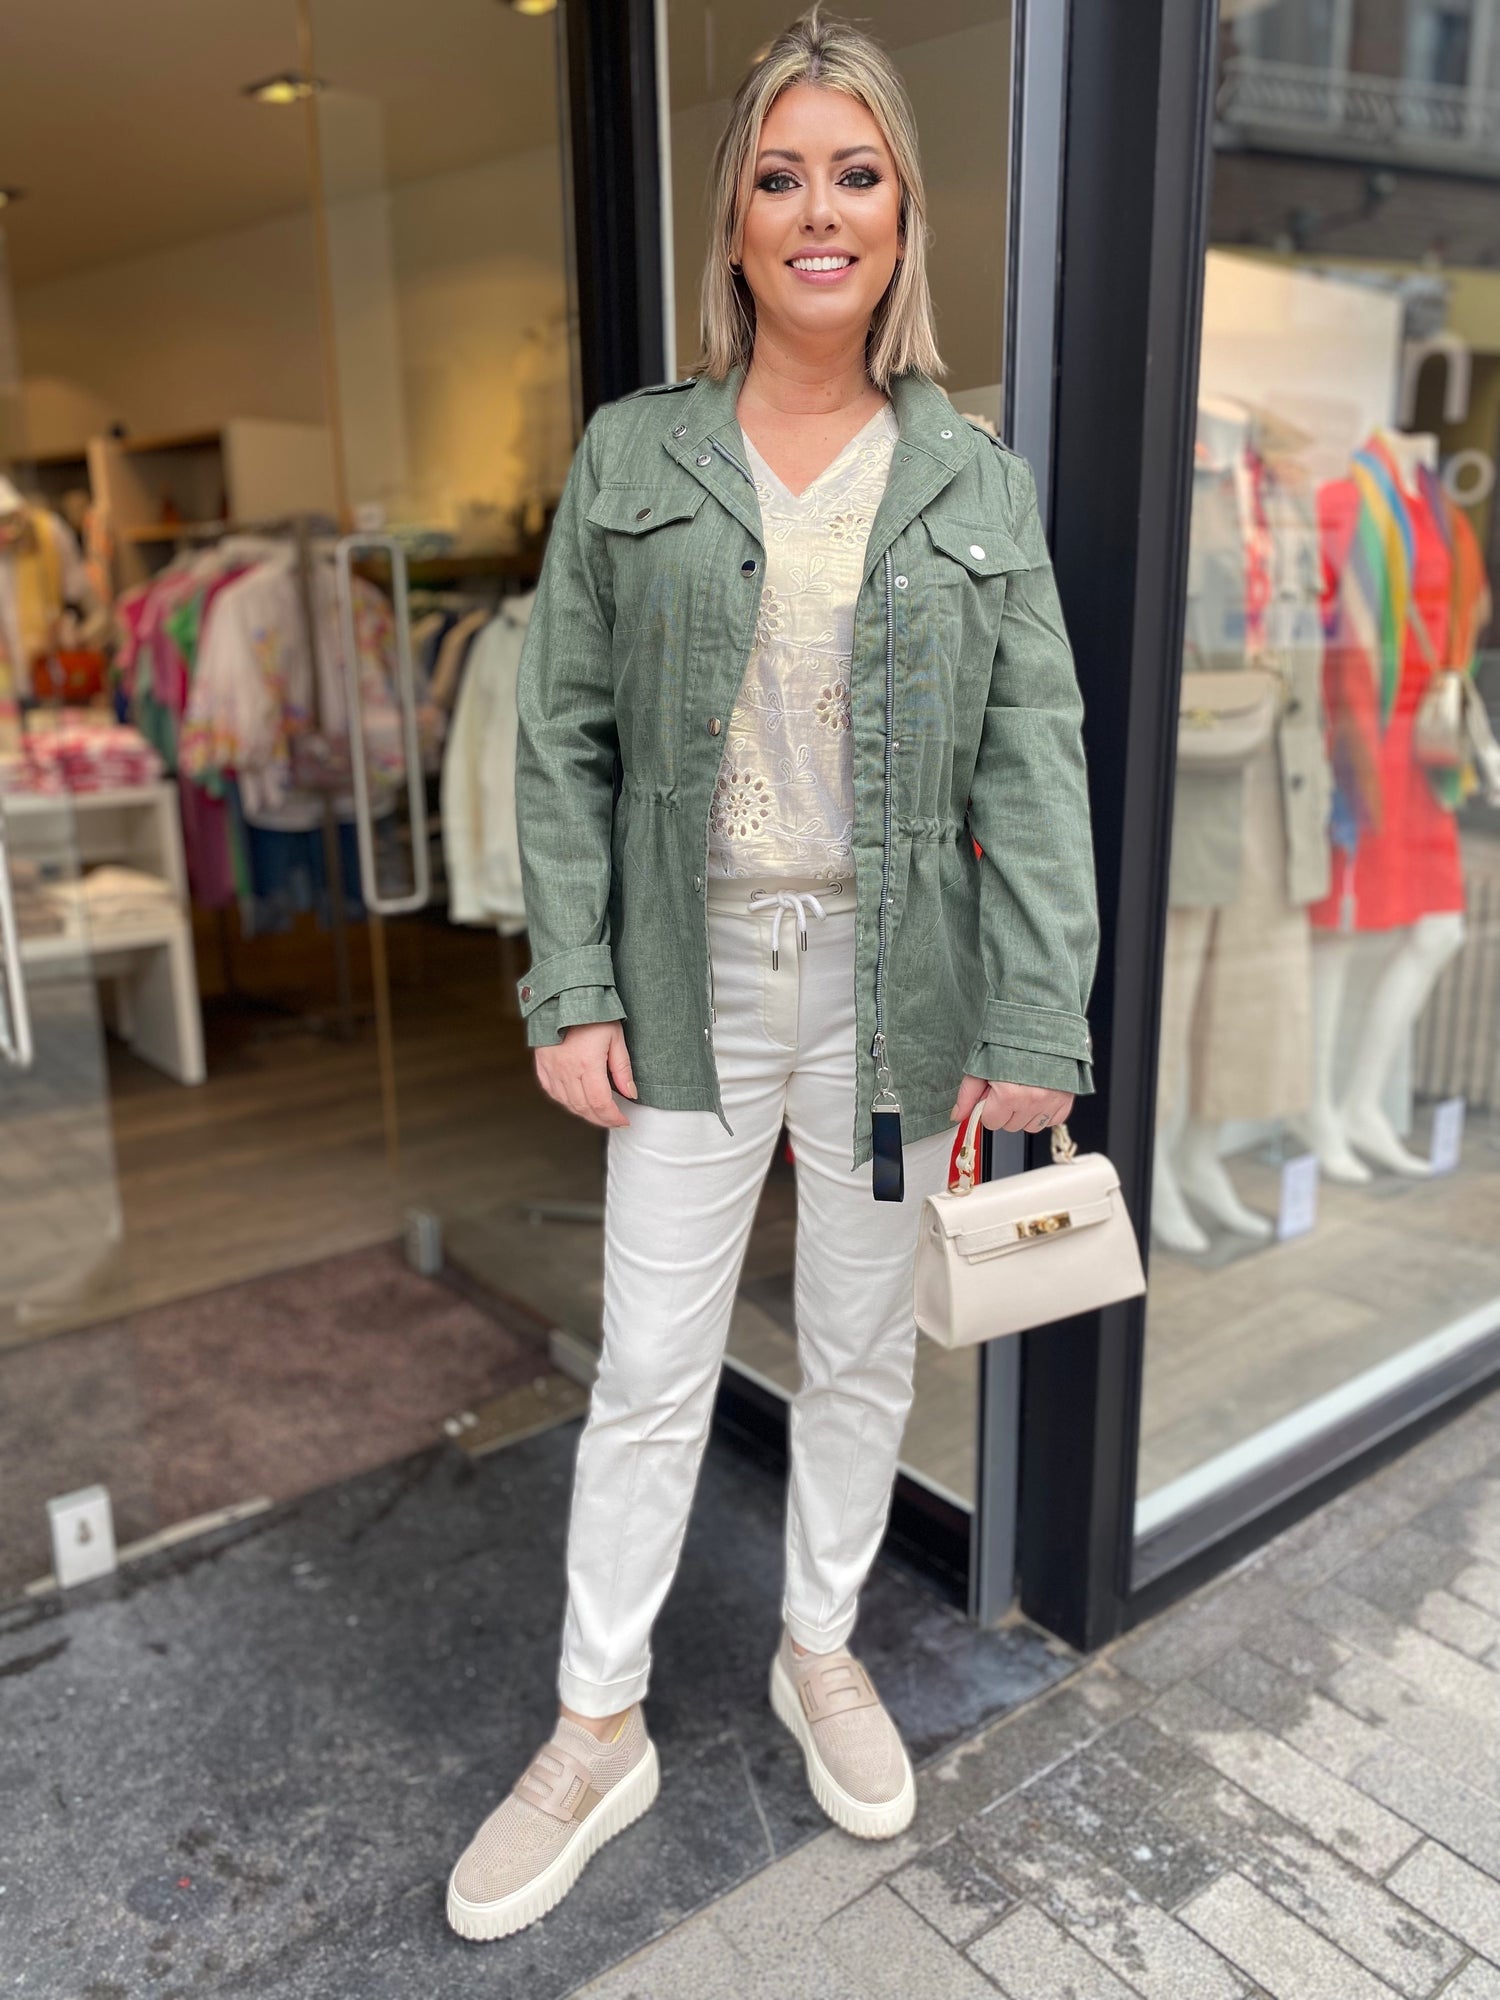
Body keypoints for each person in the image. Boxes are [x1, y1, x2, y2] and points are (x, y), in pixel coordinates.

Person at [445, 3, 1099, 1943]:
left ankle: (822, 1646)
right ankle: (596, 1725)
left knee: (860, 1348)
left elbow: (1034, 763)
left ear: (902, 219)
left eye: (858, 176)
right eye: (783, 177)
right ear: (734, 220)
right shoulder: (634, 452)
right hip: (694, 972)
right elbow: (561, 737)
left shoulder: (975, 481)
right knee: (654, 1365)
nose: (822, 212)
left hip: (903, 985)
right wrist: (571, 981)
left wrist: (1036, 1016)